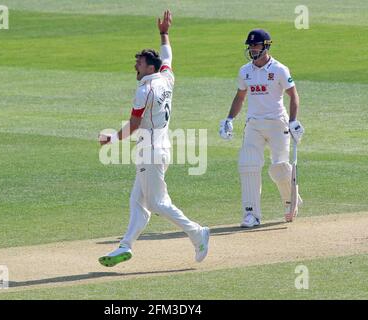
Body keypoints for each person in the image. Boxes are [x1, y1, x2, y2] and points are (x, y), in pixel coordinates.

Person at [98, 10, 209, 267]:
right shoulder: (166, 78)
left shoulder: (145, 90)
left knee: (158, 203)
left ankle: (197, 233)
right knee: (138, 201)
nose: (135, 66)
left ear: (149, 67)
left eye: (138, 63)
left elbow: (135, 124)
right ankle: (125, 246)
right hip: (159, 147)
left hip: (150, 150)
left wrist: (111, 139)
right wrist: (164, 33)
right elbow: (168, 56)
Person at [219, 29, 304, 227]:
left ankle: (291, 201)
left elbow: (294, 95)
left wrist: (293, 121)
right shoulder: (245, 71)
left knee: (279, 168)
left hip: (277, 123)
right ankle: (251, 215)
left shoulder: (280, 70)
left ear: (266, 46)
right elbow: (240, 97)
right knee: (248, 165)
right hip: (254, 125)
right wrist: (229, 118)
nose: (252, 49)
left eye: (255, 45)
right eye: (250, 46)